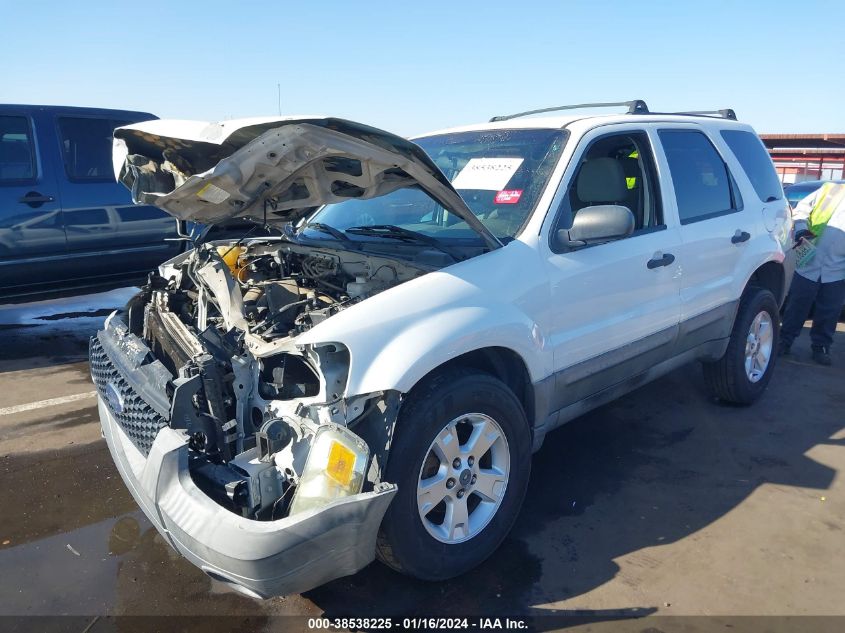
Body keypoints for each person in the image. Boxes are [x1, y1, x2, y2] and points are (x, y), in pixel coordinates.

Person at [779, 182, 845, 365]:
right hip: (809, 261)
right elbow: (801, 211)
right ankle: (784, 341)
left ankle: (821, 347)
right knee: (797, 304)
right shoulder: (830, 190)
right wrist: (801, 229)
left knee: (830, 310)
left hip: (837, 269)